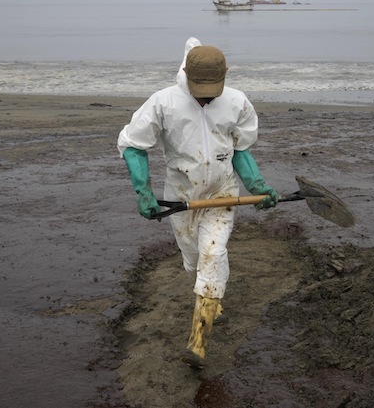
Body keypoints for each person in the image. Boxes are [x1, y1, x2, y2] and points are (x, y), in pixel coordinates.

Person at [117, 37, 278, 369]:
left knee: (213, 253)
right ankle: (211, 293)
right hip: (181, 197)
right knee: (194, 259)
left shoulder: (236, 102)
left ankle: (199, 342)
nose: (205, 95)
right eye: (199, 87)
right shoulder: (163, 103)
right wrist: (143, 192)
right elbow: (133, 145)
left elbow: (241, 150)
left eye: (212, 88)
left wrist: (258, 186)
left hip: (222, 192)